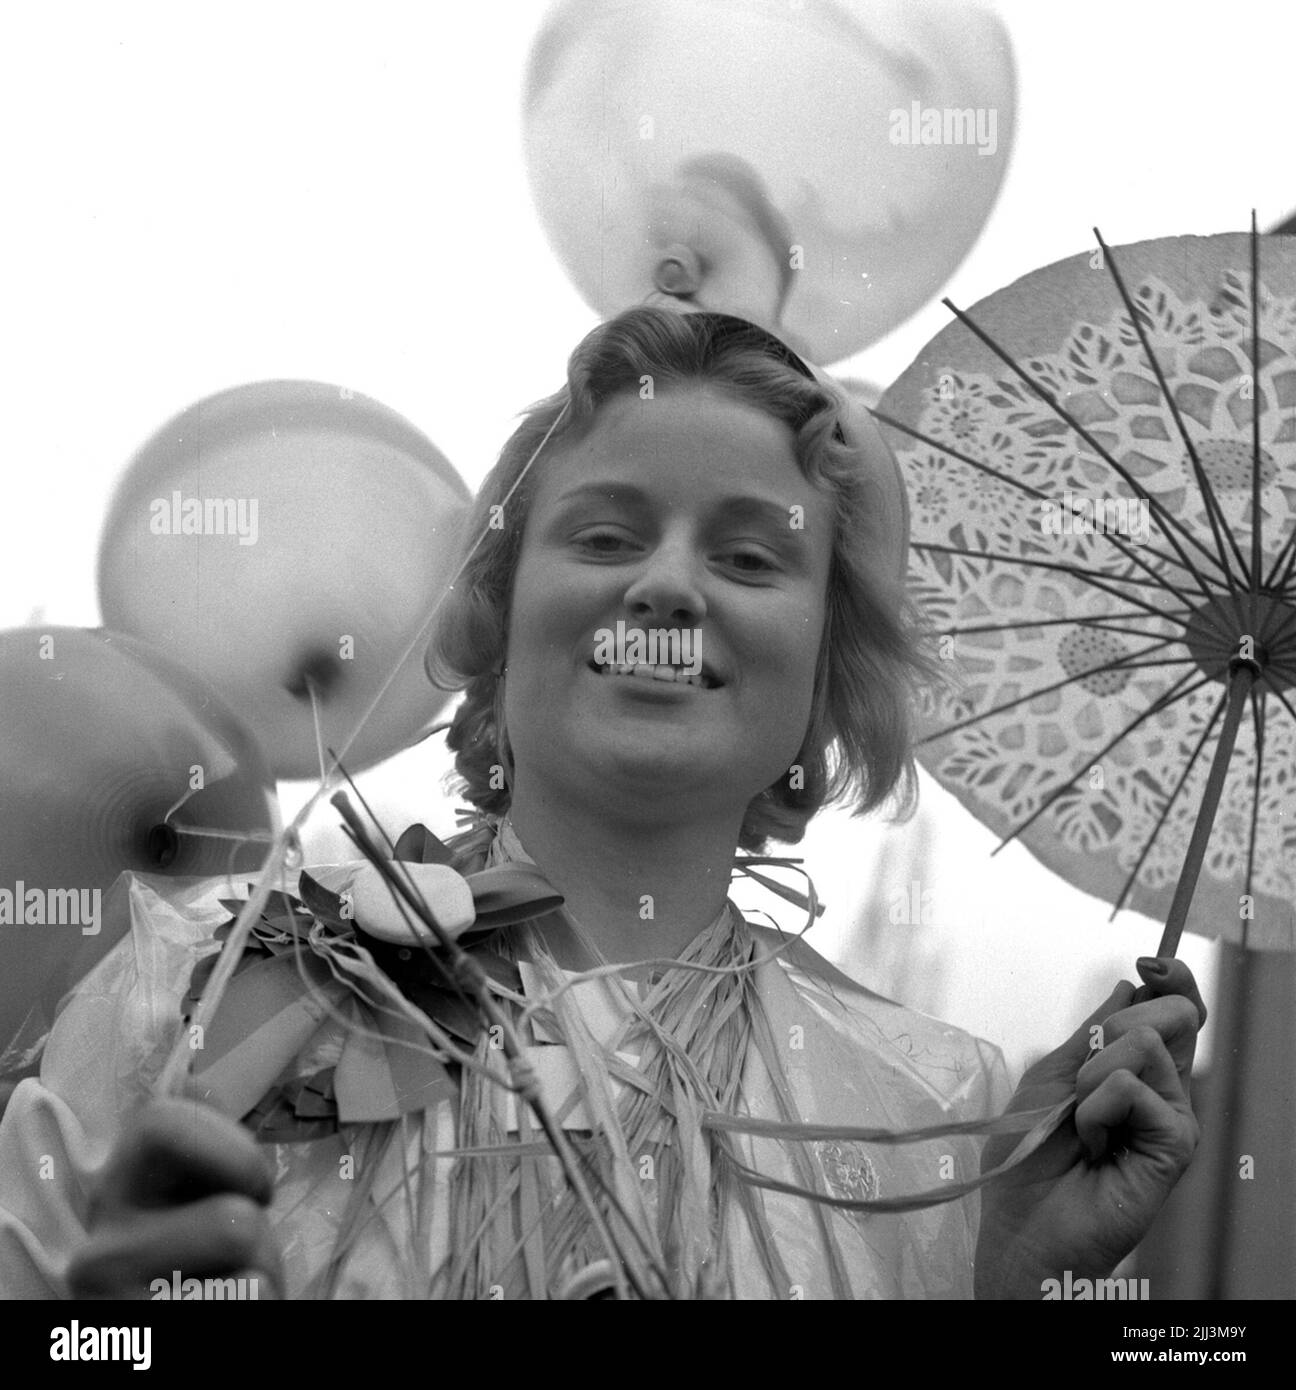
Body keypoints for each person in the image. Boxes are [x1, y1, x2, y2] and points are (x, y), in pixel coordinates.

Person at [0, 307, 1203, 1300]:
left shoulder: (938, 1116)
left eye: (748, 555)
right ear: (501, 614)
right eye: (607, 533)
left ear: (825, 677)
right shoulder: (192, 979)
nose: (667, 581)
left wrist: (1011, 1278)